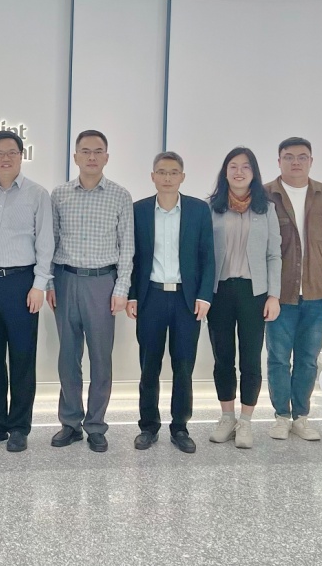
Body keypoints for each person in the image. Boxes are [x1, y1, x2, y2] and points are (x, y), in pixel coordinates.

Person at [48, 130, 133, 453]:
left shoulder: (120, 195)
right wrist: (50, 283)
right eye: (85, 151)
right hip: (66, 279)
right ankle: (70, 422)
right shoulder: (59, 195)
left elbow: (127, 247)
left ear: (107, 157)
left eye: (98, 151)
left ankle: (96, 425)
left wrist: (121, 288)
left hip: (102, 283)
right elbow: (50, 242)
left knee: (101, 358)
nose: (92, 157)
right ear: (75, 157)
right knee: (68, 357)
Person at [0, 130, 54, 453]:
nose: (5, 158)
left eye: (12, 153)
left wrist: (38, 285)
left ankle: (19, 426)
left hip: (22, 284)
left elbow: (45, 243)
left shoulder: (37, 194)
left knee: (22, 357)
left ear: (21, 156)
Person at [128, 151, 214, 454]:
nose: (167, 178)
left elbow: (208, 256)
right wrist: (132, 295)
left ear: (182, 177)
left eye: (173, 172)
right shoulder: (138, 210)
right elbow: (132, 257)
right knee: (148, 365)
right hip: (150, 297)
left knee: (183, 366)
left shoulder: (198, 210)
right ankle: (148, 426)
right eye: (162, 172)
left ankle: (180, 427)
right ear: (152, 176)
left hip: (186, 299)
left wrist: (204, 295)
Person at [264, 136, 322, 441]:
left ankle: (301, 416)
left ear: (311, 161)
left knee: (308, 359)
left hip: (316, 293)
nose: (296, 162)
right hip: (279, 294)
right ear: (279, 161)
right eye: (289, 157)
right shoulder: (265, 195)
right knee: (277, 358)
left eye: (302, 157)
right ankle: (281, 416)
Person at [206, 147, 282, 450]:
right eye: (233, 166)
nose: (239, 172)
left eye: (246, 167)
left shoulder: (267, 209)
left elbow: (274, 254)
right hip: (220, 292)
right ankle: (227, 417)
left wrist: (274, 295)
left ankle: (246, 421)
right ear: (225, 172)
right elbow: (202, 254)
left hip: (254, 293)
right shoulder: (211, 208)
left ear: (254, 173)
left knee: (251, 359)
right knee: (222, 357)